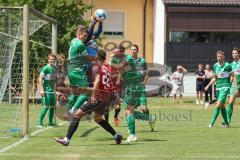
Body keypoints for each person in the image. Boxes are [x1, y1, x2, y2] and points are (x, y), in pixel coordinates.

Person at [54, 49, 123, 146]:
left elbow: (98, 81)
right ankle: (116, 136)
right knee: (98, 119)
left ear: (97, 57)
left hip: (99, 96)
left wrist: (93, 94)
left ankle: (66, 140)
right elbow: (108, 84)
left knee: (77, 115)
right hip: (106, 97)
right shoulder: (108, 67)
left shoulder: (97, 67)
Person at [110, 44, 144, 143]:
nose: (114, 54)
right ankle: (146, 120)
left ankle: (132, 135)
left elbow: (119, 66)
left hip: (133, 87)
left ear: (121, 52)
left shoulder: (127, 58)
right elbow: (121, 70)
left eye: (116, 52)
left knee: (129, 111)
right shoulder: (126, 60)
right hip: (133, 86)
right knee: (129, 111)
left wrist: (108, 61)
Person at [65, 25, 94, 115]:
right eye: (84, 36)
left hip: (71, 70)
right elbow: (86, 57)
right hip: (77, 71)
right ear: (78, 34)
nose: (85, 38)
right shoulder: (80, 45)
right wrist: (98, 58)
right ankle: (73, 110)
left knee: (75, 93)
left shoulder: (73, 41)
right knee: (86, 93)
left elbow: (82, 36)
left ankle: (66, 113)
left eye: (86, 36)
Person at [205, 50, 237, 128]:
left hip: (225, 88)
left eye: (220, 56)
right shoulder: (215, 65)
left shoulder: (227, 65)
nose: (219, 58)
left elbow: (233, 75)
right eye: (218, 56)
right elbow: (215, 78)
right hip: (218, 88)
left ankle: (211, 124)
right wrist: (208, 85)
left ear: (223, 57)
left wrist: (233, 84)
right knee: (222, 106)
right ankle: (227, 124)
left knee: (218, 104)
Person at [128, 44, 155, 132]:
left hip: (140, 89)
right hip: (131, 90)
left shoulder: (142, 61)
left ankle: (149, 119)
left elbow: (147, 73)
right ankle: (149, 118)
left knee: (144, 109)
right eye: (131, 49)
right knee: (129, 111)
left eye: (135, 49)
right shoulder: (128, 61)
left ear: (138, 51)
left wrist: (144, 83)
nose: (133, 51)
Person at [37, 54, 57, 128]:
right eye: (51, 59)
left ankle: (50, 123)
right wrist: (41, 90)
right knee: (46, 107)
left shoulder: (55, 68)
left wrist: (55, 90)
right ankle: (39, 123)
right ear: (48, 60)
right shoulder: (45, 68)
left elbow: (54, 80)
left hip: (52, 92)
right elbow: (40, 79)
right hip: (46, 91)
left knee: (52, 107)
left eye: (53, 59)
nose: (52, 60)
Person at [225, 47, 240, 124]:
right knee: (230, 103)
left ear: (239, 54)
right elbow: (231, 76)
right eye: (233, 53)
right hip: (234, 86)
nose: (234, 54)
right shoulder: (230, 65)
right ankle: (227, 121)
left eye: (235, 53)